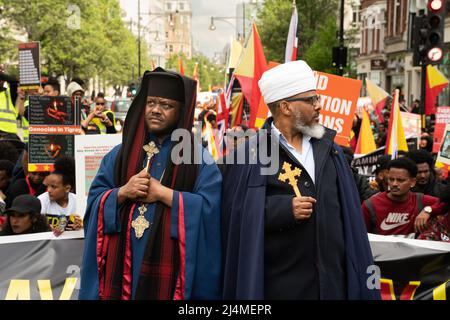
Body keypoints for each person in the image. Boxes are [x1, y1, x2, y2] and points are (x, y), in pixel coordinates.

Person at [221, 60, 380, 300]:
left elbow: (349, 212)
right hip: (279, 288)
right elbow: (231, 217)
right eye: (311, 100)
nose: (319, 106)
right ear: (285, 106)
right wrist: (281, 210)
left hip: (333, 287)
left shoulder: (332, 151)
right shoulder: (248, 156)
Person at [79, 67, 222, 300]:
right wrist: (123, 192)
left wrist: (164, 194)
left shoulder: (199, 160)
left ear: (181, 111)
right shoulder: (120, 155)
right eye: (151, 102)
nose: (156, 110)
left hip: (170, 269)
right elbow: (95, 200)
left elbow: (211, 210)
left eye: (166, 105)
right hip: (123, 264)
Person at [362, 157, 438, 237]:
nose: (394, 184)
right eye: (391, 179)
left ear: (413, 182)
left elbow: (445, 204)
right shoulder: (370, 205)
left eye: (400, 180)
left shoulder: (420, 200)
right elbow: (359, 236)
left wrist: (428, 210)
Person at [38, 156, 82, 235]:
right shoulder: (41, 201)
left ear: (67, 188)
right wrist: (47, 228)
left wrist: (80, 227)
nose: (49, 190)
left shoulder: (78, 201)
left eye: (53, 187)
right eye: (48, 186)